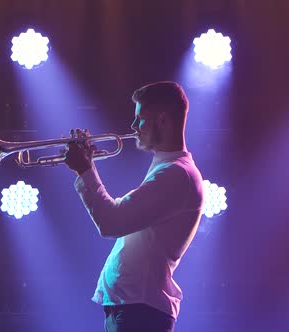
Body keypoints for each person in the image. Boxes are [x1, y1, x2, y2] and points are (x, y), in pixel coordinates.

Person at [64, 81, 204, 332]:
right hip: (134, 308)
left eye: (140, 118)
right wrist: (88, 168)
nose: (133, 127)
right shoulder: (167, 168)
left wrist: (85, 169)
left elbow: (112, 222)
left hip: (140, 311)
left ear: (161, 120)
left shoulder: (176, 175)